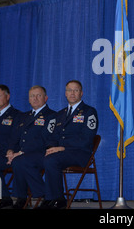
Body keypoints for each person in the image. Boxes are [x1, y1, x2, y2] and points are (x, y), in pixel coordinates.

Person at [37, 80, 98, 209]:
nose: (72, 93)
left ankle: (57, 200)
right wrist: (51, 148)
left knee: (51, 160)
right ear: (65, 93)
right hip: (62, 153)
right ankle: (48, 197)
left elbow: (87, 139)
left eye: (76, 90)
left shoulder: (89, 112)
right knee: (40, 158)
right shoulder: (60, 114)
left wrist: (62, 147)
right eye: (69, 90)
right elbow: (52, 137)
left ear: (81, 93)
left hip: (80, 153)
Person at [8, 85, 56, 209]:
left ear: (45, 98)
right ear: (28, 99)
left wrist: (22, 152)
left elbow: (44, 139)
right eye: (32, 96)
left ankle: (44, 195)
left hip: (42, 153)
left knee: (20, 161)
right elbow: (15, 137)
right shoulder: (23, 116)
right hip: (22, 154)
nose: (35, 98)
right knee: (17, 161)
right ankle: (22, 198)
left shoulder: (51, 116)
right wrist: (11, 151)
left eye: (38, 95)